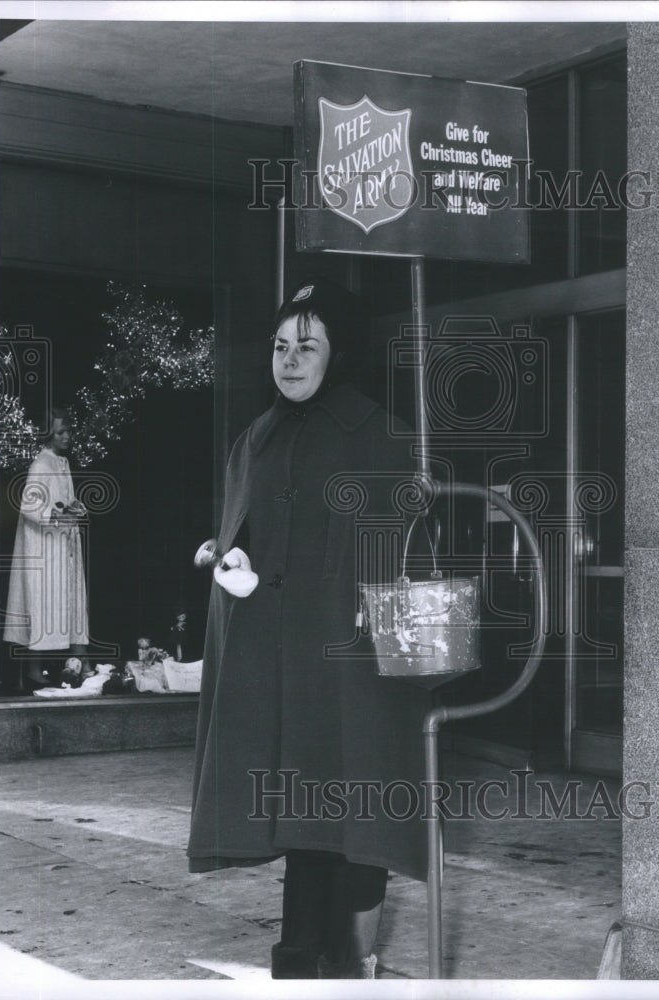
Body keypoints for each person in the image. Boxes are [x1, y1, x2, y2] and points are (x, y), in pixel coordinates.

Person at [187, 279, 433, 979]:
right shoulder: (255, 441)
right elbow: (254, 539)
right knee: (303, 821)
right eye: (279, 346)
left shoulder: (380, 436)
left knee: (359, 819)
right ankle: (297, 962)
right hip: (283, 662)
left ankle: (354, 964)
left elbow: (405, 541)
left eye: (307, 346)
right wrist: (232, 559)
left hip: (355, 666)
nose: (289, 360)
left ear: (339, 354)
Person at [3, 408, 89, 691]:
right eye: (60, 432)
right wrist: (58, 516)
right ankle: (33, 669)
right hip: (45, 545)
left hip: (62, 543)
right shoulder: (41, 464)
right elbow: (29, 506)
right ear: (48, 433)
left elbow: (64, 498)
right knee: (42, 605)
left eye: (69, 431)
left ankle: (79, 661)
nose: (66, 436)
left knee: (70, 602)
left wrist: (75, 506)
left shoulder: (60, 462)